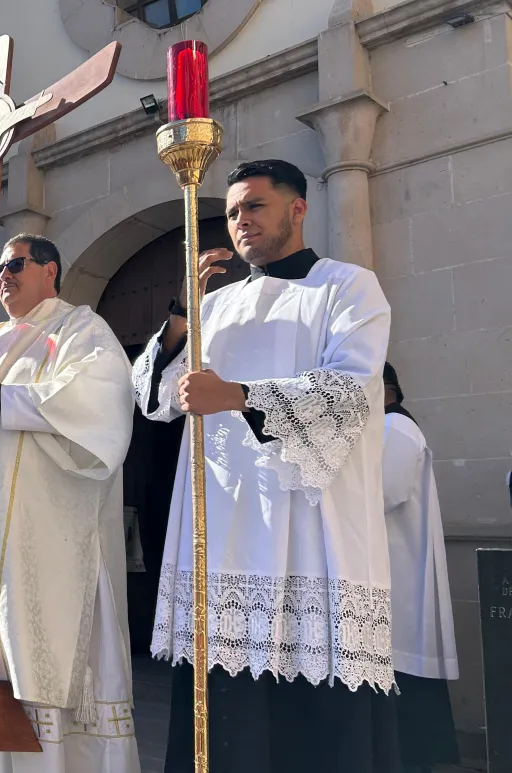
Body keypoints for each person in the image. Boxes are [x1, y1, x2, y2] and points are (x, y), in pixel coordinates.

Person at [132, 159, 397, 773]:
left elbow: (353, 391)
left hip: (309, 526)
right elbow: (155, 399)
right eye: (231, 212)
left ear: (298, 209)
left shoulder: (348, 286)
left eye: (254, 206)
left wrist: (240, 395)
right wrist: (182, 314)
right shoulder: (215, 305)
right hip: (222, 529)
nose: (240, 222)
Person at [0, 234, 141, 773]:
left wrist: (0, 395)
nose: (3, 275)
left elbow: (101, 404)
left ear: (50, 270)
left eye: (15, 264)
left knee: (51, 661)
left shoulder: (79, 327)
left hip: (56, 542)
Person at [381, 363, 459, 773]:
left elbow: (383, 491)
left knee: (404, 686)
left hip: (399, 577)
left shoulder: (396, 428)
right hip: (388, 572)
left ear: (385, 390)